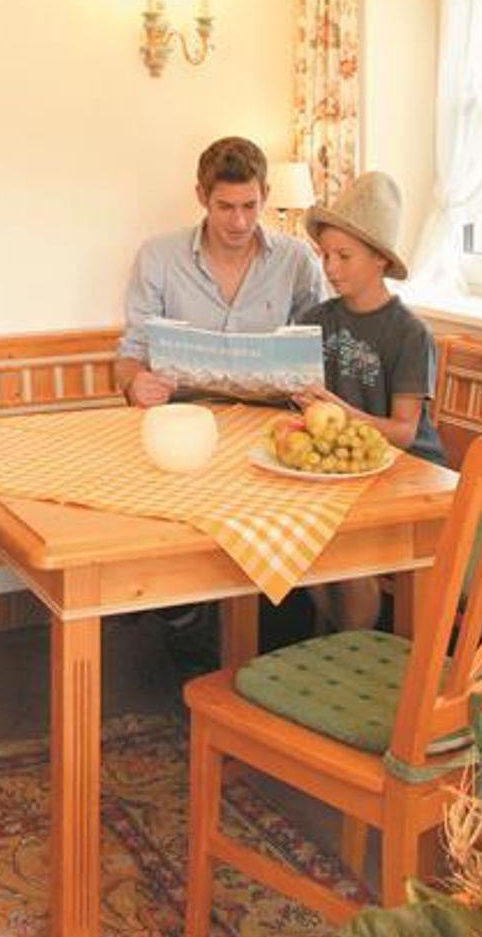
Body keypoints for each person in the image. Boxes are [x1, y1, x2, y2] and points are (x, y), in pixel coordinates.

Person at [290, 169, 446, 630]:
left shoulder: (410, 334)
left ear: (380, 259)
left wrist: (339, 411)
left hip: (408, 472)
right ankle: (338, 637)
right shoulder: (314, 319)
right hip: (342, 470)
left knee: (343, 547)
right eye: (325, 255)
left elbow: (404, 433)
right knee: (299, 534)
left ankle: (353, 640)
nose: (330, 268)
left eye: (344, 256)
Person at [115, 137, 328, 407]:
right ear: (202, 196)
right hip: (183, 416)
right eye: (225, 207)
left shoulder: (297, 260)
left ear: (265, 194)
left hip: (273, 418)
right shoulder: (157, 256)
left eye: (249, 206)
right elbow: (131, 354)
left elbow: (322, 347)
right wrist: (135, 383)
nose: (239, 222)